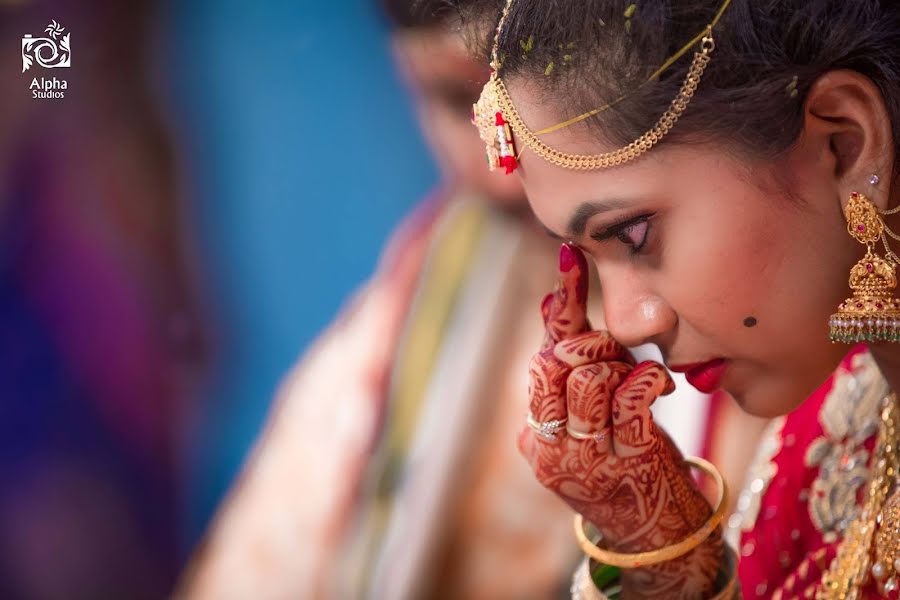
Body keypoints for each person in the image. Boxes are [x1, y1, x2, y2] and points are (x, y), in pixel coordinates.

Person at [455, 0, 900, 598]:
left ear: (844, 143)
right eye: (585, 260)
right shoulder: (829, 441)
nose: (624, 323)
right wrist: (659, 550)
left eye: (635, 236)